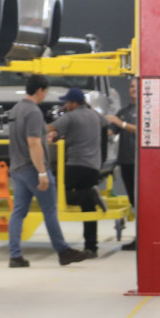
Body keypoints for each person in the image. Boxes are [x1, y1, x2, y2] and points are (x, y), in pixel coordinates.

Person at [6, 75, 87, 267]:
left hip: (17, 167)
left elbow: (30, 137)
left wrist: (45, 136)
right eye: (46, 91)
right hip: (33, 169)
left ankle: (15, 256)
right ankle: (63, 251)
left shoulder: (16, 109)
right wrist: (42, 172)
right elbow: (33, 142)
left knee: (18, 212)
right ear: (40, 90)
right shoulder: (33, 112)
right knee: (50, 210)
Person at [47, 87, 109, 257]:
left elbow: (48, 128)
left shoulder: (70, 117)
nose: (65, 105)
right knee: (88, 208)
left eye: (67, 102)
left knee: (55, 192)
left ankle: (89, 195)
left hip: (76, 165)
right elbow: (106, 124)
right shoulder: (95, 116)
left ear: (74, 103)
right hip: (93, 167)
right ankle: (91, 247)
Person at [105, 78, 137, 250]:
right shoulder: (123, 111)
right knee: (133, 201)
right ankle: (139, 237)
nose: (132, 89)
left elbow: (142, 130)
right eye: (131, 86)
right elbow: (112, 130)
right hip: (126, 163)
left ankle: (144, 238)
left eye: (136, 86)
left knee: (141, 202)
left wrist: (122, 124)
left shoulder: (146, 111)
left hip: (140, 164)